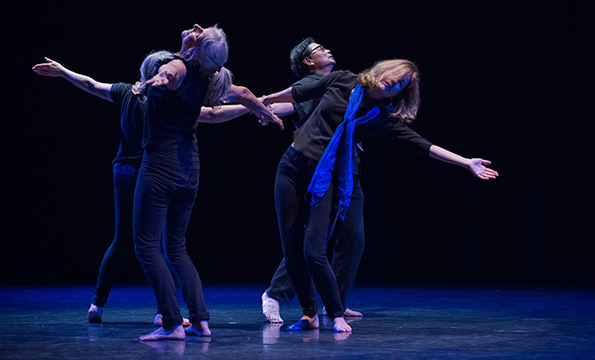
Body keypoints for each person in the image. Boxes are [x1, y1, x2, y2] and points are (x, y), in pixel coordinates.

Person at [262, 59, 498, 332]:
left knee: (314, 250)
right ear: (381, 69)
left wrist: (466, 161)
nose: (392, 83)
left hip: (325, 177)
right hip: (291, 166)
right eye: (392, 76)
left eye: (400, 84)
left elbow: (422, 145)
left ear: (400, 93)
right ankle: (309, 314)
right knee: (291, 250)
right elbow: (300, 93)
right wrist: (265, 100)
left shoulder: (380, 117)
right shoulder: (342, 80)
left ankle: (334, 312)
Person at [31, 52, 258, 327]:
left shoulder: (127, 92)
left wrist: (64, 71)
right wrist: (254, 106)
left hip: (123, 171)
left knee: (124, 240)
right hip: (152, 173)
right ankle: (166, 312)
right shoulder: (168, 101)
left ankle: (97, 303)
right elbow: (210, 115)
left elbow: (91, 85)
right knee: (163, 246)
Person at [133, 23, 282, 341]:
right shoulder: (211, 77)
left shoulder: (181, 66)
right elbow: (241, 93)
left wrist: (156, 79)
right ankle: (200, 320)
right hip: (190, 169)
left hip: (159, 166)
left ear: (199, 50)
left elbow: (171, 73)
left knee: (146, 246)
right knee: (175, 247)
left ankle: (173, 323)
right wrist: (263, 112)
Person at [261, 37, 362, 323]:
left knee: (353, 238)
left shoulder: (343, 82)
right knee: (314, 243)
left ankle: (335, 303)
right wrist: (258, 106)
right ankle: (276, 293)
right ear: (307, 61)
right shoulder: (310, 84)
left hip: (347, 168)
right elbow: (287, 104)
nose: (328, 49)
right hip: (318, 168)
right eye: (319, 49)